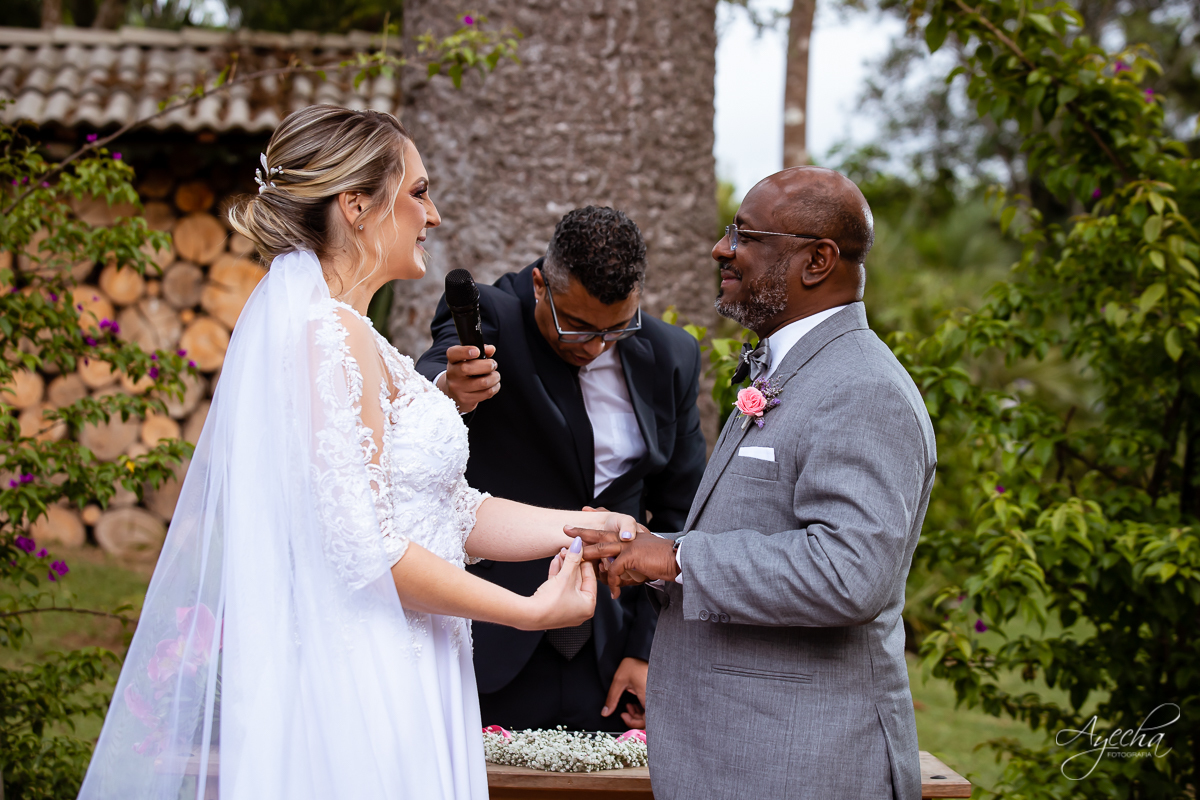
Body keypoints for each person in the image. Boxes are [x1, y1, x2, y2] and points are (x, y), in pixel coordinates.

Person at [77, 105, 644, 800]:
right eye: (417, 191)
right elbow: (367, 548)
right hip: (366, 673)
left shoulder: (362, 341)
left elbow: (449, 512)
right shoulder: (328, 338)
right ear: (355, 207)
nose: (432, 215)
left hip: (413, 658)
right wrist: (527, 610)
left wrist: (585, 526)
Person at [576, 167, 937, 799]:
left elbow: (850, 574)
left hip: (803, 763)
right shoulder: (793, 369)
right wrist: (648, 547)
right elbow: (760, 533)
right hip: (744, 756)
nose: (721, 248)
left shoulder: (863, 389)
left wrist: (678, 556)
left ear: (816, 260)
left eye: (745, 234)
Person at [415, 207, 706, 732]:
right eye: (577, 328)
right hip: (494, 633)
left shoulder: (673, 356)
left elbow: (680, 509)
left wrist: (645, 649)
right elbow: (436, 370)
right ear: (539, 284)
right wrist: (448, 389)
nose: (595, 347)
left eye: (617, 328)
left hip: (612, 649)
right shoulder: (493, 314)